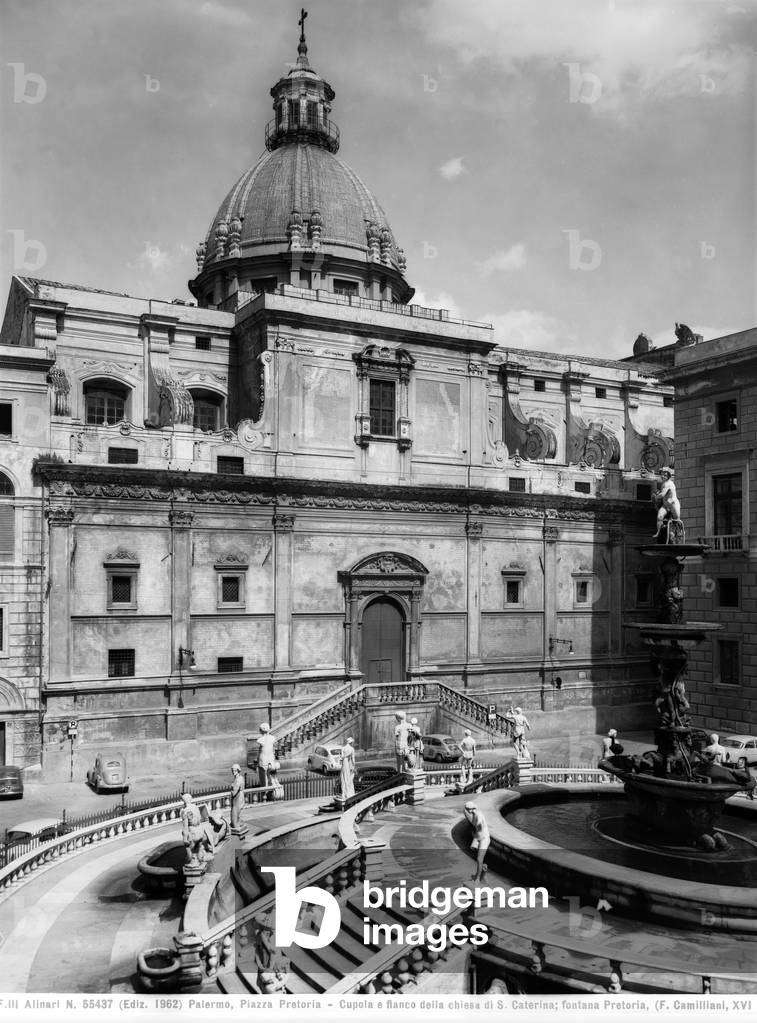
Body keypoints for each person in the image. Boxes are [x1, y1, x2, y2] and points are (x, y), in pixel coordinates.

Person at [463, 801, 490, 882]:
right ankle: (483, 872)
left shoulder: (478, 815)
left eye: (471, 809)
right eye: (468, 809)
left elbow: (479, 826)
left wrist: (475, 835)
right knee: (478, 858)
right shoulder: (473, 814)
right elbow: (476, 829)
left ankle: (477, 878)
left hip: (484, 838)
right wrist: (475, 840)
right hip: (478, 837)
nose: (469, 811)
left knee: (479, 859)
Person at [653, 467, 681, 539]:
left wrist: (656, 497)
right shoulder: (663, 484)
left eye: (665, 475)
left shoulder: (669, 483)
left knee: (676, 519)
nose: (663, 476)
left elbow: (662, 494)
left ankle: (679, 532)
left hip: (673, 505)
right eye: (662, 475)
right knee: (659, 517)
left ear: (668, 476)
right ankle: (659, 532)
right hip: (665, 505)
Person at [255, 722, 278, 788]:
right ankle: (269, 788)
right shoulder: (273, 738)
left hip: (264, 759)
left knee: (264, 777)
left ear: (261, 730)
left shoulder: (260, 740)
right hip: (270, 758)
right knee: (269, 775)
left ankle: (265, 790)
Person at [230, 763, 245, 829]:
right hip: (238, 797)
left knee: (235, 814)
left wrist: (232, 787)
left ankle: (237, 825)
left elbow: (234, 793)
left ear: (238, 770)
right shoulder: (239, 777)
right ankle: (238, 822)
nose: (233, 772)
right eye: (232, 770)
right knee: (235, 814)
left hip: (238, 798)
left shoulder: (239, 779)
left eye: (235, 770)